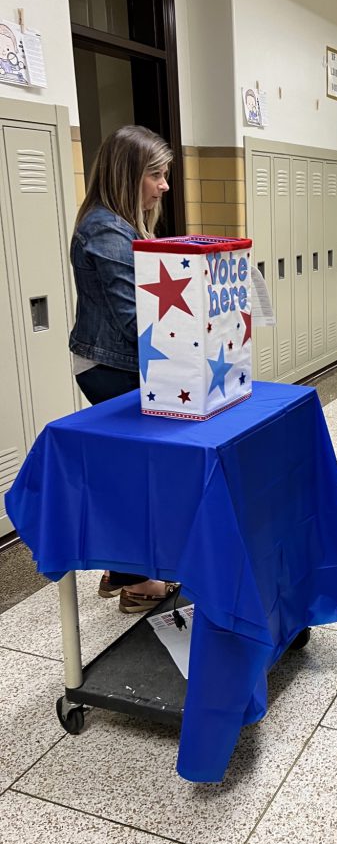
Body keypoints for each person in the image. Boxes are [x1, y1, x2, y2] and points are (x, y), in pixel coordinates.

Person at [69, 125, 180, 614]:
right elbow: (134, 317)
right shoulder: (105, 229)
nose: (164, 187)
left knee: (143, 469)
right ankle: (135, 581)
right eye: (156, 175)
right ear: (128, 174)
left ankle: (127, 570)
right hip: (111, 365)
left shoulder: (123, 225)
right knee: (144, 472)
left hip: (124, 361)